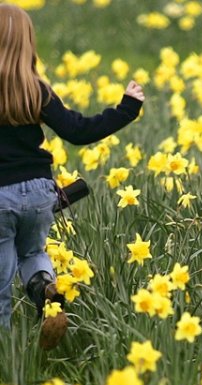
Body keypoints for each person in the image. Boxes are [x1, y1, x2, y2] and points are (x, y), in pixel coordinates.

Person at [0, 4, 145, 349]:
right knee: (33, 251)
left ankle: (5, 357)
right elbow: (78, 131)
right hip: (38, 191)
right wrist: (127, 107)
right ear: (26, 42)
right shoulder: (36, 89)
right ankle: (46, 289)